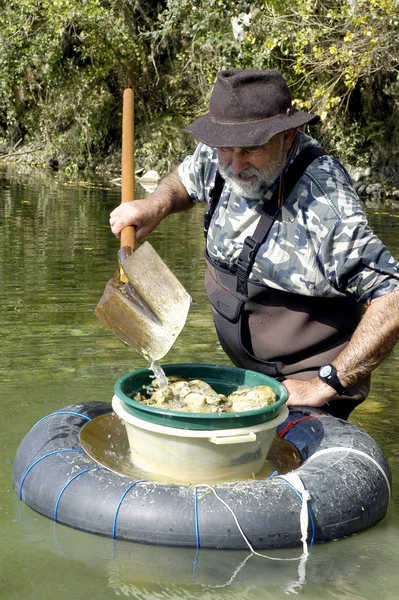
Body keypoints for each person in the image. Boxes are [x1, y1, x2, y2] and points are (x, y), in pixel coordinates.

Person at [110, 69, 399, 420]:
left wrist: (327, 384)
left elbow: (393, 297)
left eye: (252, 148)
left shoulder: (325, 206)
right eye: (226, 148)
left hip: (307, 393)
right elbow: (185, 180)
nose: (235, 163)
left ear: (288, 135)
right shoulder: (221, 156)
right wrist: (156, 204)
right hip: (252, 381)